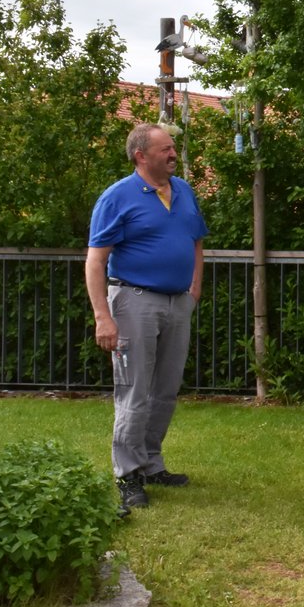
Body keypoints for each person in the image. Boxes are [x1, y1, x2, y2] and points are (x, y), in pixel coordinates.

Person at [85, 123, 208, 514]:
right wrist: (103, 316)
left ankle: (152, 464)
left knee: (165, 390)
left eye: (173, 148)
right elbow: (96, 261)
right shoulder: (117, 197)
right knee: (134, 391)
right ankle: (128, 475)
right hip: (133, 301)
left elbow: (196, 241)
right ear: (141, 155)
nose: (173, 154)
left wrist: (194, 288)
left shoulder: (183, 191)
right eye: (165, 149)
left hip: (177, 303)